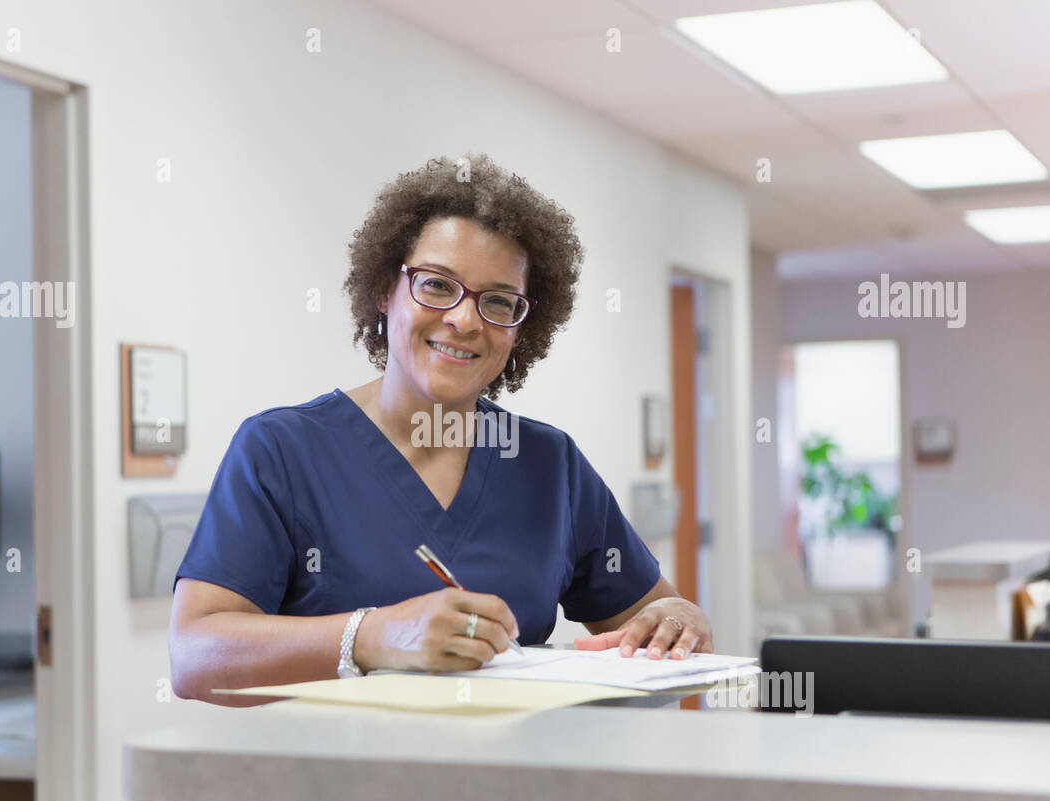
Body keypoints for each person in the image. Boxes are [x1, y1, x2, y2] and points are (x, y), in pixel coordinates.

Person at [169, 154, 712, 705]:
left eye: (498, 301)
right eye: (436, 285)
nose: (465, 320)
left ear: (523, 328)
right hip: (332, 786)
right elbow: (193, 657)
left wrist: (676, 619)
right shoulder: (282, 451)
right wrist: (373, 636)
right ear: (386, 290)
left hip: (521, 782)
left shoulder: (549, 465)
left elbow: (649, 620)